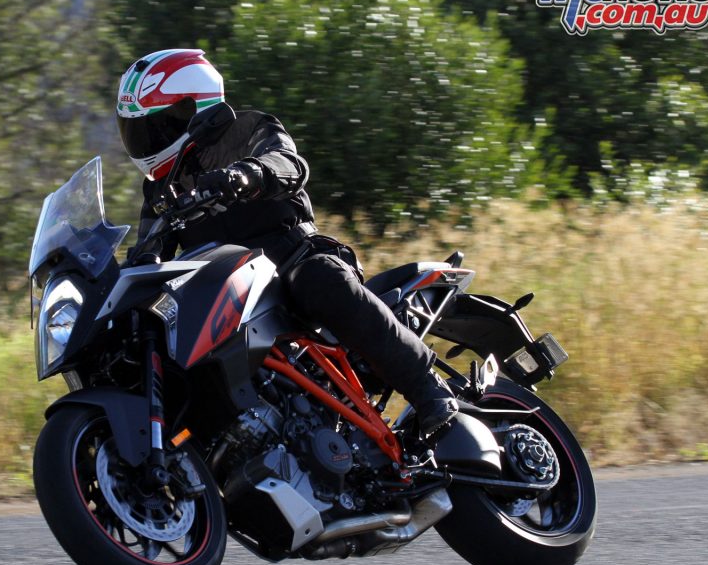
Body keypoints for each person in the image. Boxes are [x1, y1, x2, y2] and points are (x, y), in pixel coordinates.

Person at [116, 48, 458, 435]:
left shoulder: (249, 128)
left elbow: (289, 162)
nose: (147, 140)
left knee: (319, 280)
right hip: (227, 293)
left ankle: (427, 387)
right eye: (137, 131)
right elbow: (148, 254)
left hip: (291, 258)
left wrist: (247, 175)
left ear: (195, 107)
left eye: (157, 126)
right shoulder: (160, 188)